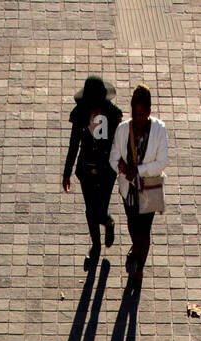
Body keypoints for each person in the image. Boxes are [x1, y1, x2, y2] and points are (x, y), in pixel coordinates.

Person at [110, 85, 168, 287]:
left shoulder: (159, 130)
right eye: (136, 114)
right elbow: (113, 157)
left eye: (143, 114)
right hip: (129, 189)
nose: (139, 118)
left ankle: (140, 269)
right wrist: (123, 168)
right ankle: (135, 247)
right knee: (132, 224)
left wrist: (139, 170)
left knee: (144, 231)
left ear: (149, 112)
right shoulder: (122, 130)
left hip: (149, 188)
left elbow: (161, 163)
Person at [62, 76, 122, 271]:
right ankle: (96, 245)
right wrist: (67, 172)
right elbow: (74, 144)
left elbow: (118, 144)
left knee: (100, 207)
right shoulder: (80, 114)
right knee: (90, 210)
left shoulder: (113, 116)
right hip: (86, 170)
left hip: (106, 170)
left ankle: (107, 221)